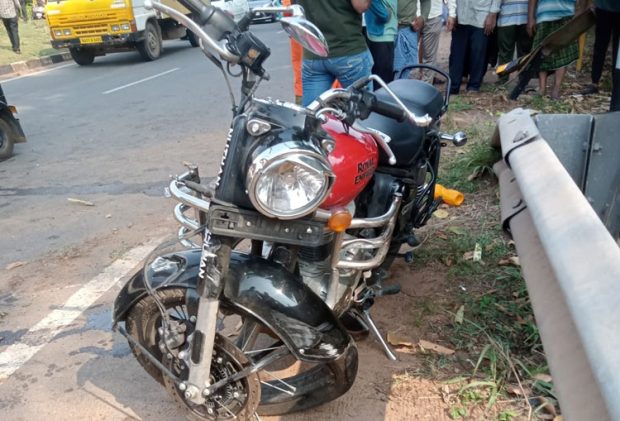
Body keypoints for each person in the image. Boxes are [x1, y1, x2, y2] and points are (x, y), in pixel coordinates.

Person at [297, 0, 373, 106]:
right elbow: (361, 5)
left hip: (313, 53)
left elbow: (296, 9)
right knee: (363, 111)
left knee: (312, 115)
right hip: (347, 50)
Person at [527, 0, 578, 99]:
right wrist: (530, 18)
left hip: (566, 15)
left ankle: (556, 89)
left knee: (563, 53)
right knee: (541, 52)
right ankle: (542, 89)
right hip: (544, 15)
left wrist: (579, 13)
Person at [449, 0, 501, 94]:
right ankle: (453, 86)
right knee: (456, 54)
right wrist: (452, 14)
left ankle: (474, 86)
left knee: (478, 54)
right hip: (460, 16)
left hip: (482, 17)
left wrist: (492, 14)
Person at [580, 0, 620, 98]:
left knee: (618, 49)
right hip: (603, 7)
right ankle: (594, 82)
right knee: (600, 46)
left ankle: (616, 85)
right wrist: (589, 5)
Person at [496, 0, 532, 84]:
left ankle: (524, 81)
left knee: (525, 53)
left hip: (526, 18)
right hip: (505, 17)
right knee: (504, 52)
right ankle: (502, 80)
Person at [421, 0, 456, 84]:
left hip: (432, 16)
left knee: (429, 57)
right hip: (409, 16)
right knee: (405, 56)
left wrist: (452, 14)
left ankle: (426, 87)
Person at [394, 0, 430, 79]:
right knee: (383, 71)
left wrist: (423, 18)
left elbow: (426, 1)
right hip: (382, 31)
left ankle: (399, 90)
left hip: (408, 29)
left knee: (404, 70)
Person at [365, 0, 398, 84]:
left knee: (383, 79)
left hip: (384, 34)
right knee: (382, 81)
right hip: (380, 35)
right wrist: (384, 14)